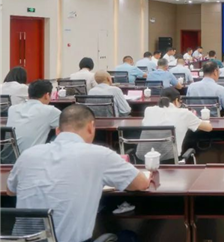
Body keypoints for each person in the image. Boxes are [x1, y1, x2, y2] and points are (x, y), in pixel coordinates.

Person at [7, 104, 150, 242]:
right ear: (90, 127)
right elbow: (141, 183)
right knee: (128, 236)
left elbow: (11, 191)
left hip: (22, 240)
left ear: (57, 131)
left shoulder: (28, 155)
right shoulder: (99, 155)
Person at [138, 87, 212, 162]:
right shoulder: (184, 113)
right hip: (171, 162)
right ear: (176, 100)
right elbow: (208, 128)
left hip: (144, 161)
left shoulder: (148, 110)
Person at [7, 80, 61, 153]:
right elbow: (70, 126)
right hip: (32, 156)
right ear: (47, 95)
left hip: (9, 157)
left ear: (28, 95)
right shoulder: (50, 110)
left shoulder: (12, 109)